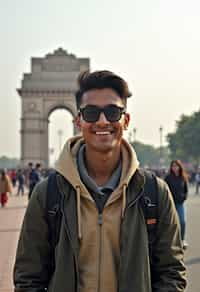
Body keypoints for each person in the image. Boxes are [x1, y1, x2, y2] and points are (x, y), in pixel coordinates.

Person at [13, 71, 186, 291]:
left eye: (113, 112)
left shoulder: (154, 193)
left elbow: (172, 272)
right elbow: (28, 277)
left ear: (126, 120)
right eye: (92, 113)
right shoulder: (47, 194)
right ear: (79, 121)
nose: (103, 121)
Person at [165, 160, 188, 249]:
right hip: (170, 203)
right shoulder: (168, 178)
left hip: (180, 203)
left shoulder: (183, 177)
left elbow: (186, 189)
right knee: (171, 223)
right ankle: (171, 241)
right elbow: (165, 189)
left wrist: (184, 197)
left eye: (176, 166)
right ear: (171, 167)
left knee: (182, 221)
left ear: (179, 167)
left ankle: (182, 240)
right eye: (173, 166)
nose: (175, 168)